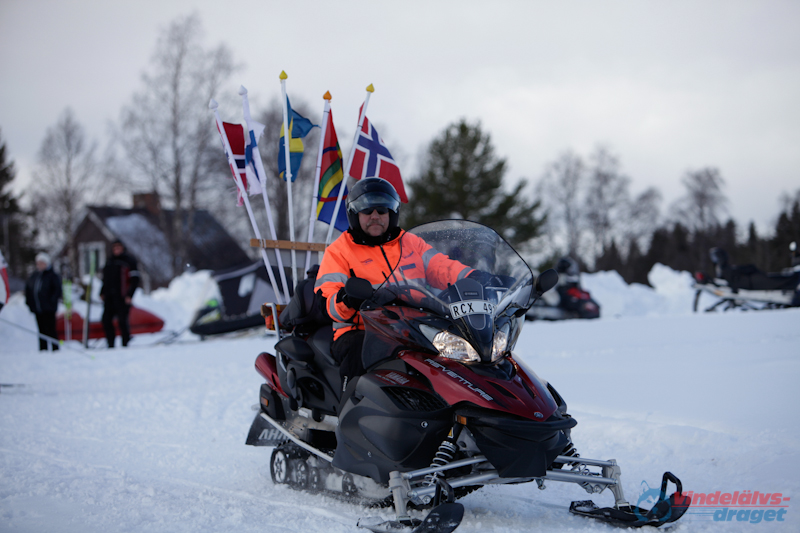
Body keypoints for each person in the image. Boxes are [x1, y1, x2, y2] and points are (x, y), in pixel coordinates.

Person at [315, 178, 476, 389]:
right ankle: (350, 412)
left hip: (413, 326)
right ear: (355, 213)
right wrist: (346, 298)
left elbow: (441, 267)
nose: (375, 216)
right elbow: (326, 300)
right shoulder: (339, 251)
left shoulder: (410, 242)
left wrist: (473, 277)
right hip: (361, 328)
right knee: (359, 350)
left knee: (456, 356)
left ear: (392, 212)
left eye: (382, 210)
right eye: (367, 210)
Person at [100, 240, 140, 348]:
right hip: (109, 296)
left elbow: (135, 279)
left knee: (122, 320)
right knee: (106, 320)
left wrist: (130, 295)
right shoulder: (109, 261)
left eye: (118, 247)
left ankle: (125, 342)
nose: (116, 250)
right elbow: (105, 279)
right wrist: (102, 292)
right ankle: (110, 343)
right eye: (114, 248)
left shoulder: (129, 261)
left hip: (122, 296)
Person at [24, 252, 62, 351]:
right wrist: (29, 303)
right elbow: (28, 290)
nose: (39, 265)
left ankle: (55, 349)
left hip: (49, 308)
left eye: (41, 263)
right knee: (41, 330)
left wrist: (51, 302)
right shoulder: (34, 276)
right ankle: (43, 349)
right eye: (38, 263)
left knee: (51, 329)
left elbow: (57, 290)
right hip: (37, 308)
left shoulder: (52, 275)